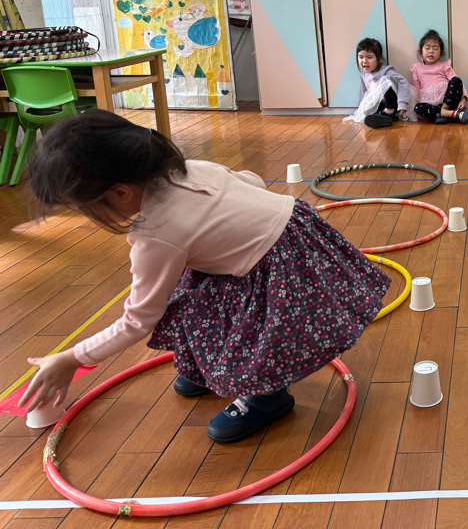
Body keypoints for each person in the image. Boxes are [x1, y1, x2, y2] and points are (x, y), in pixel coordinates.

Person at [19, 110, 391, 443]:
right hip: (300, 235)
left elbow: (137, 321)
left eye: (86, 208)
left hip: (281, 272)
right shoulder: (187, 168)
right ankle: (213, 369)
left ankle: (266, 397)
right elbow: (252, 182)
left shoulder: (156, 234)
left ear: (120, 192)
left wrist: (71, 358)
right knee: (195, 293)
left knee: (227, 315)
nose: (89, 216)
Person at [410, 29, 468, 124]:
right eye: (427, 48)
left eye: (435, 49)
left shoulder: (444, 65)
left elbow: (459, 84)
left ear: (442, 53)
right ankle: (453, 114)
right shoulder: (416, 68)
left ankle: (442, 113)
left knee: (456, 80)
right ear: (420, 52)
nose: (431, 51)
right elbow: (416, 89)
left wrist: (464, 99)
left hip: (449, 102)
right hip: (430, 103)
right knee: (418, 108)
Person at [354, 37, 410, 129]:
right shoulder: (363, 74)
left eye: (369, 57)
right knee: (367, 111)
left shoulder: (386, 71)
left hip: (393, 103)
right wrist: (361, 108)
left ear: (379, 59)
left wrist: (402, 103)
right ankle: (385, 118)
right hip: (379, 104)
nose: (364, 61)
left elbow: (403, 81)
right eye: (361, 57)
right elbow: (364, 93)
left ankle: (389, 112)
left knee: (386, 80)